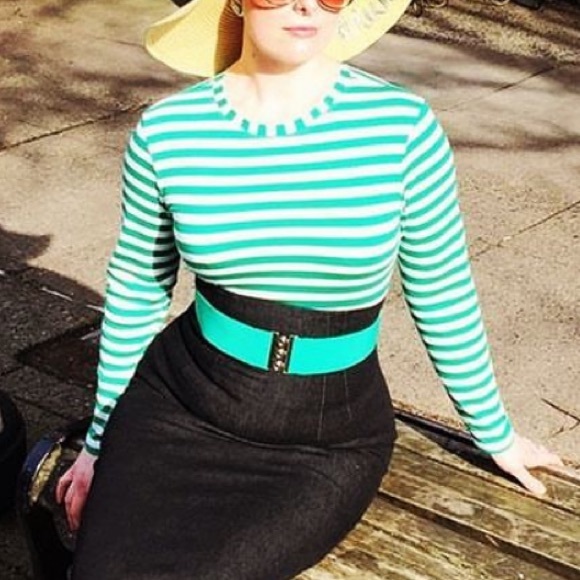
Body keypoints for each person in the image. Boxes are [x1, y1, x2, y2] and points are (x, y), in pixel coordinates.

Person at [56, 0, 563, 578]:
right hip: (178, 406)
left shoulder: (402, 128)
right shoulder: (168, 132)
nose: (307, 4)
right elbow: (138, 289)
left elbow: (442, 287)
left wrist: (495, 433)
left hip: (325, 438)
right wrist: (99, 441)